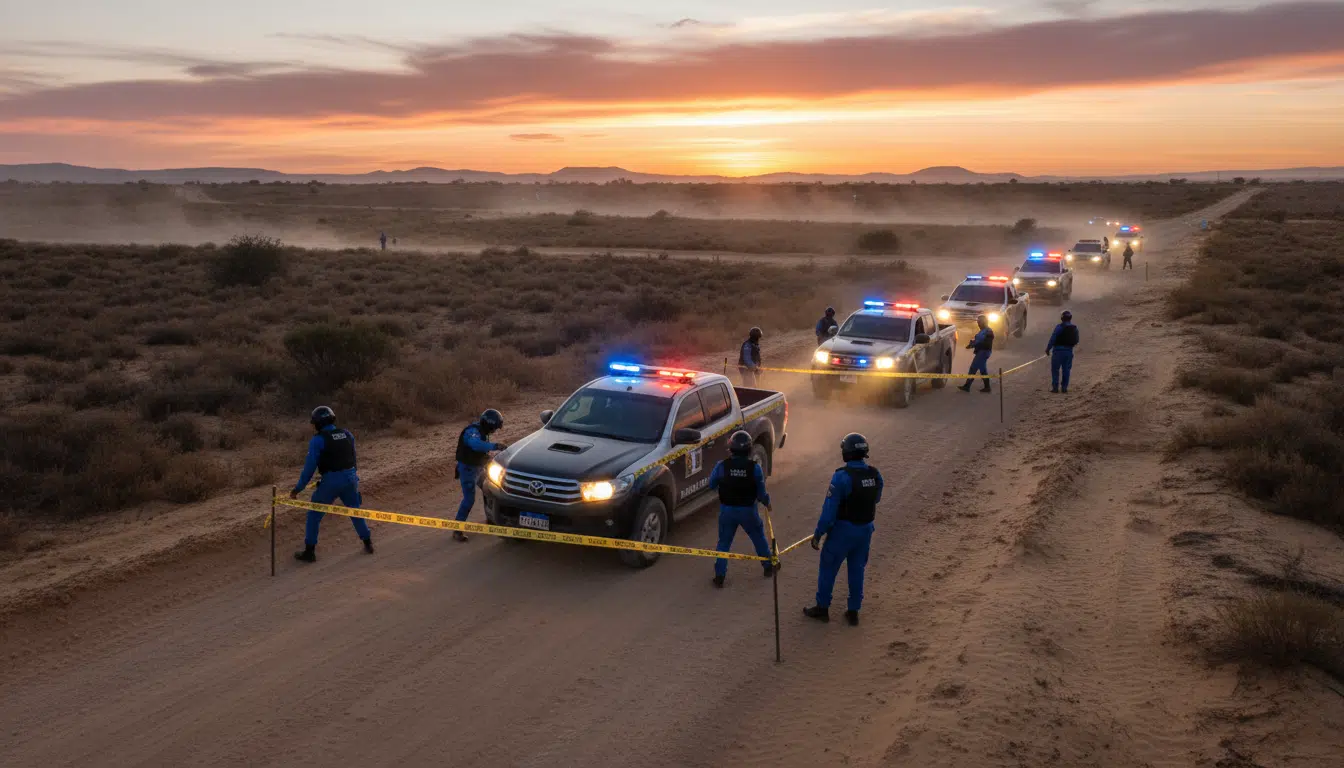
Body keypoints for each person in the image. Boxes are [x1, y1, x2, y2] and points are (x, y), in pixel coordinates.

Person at [803, 433, 883, 626]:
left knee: (828, 568)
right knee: (857, 570)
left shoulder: (841, 477)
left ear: (846, 452)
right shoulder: (875, 474)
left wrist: (818, 534)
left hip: (842, 532)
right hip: (865, 531)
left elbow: (829, 512)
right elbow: (877, 498)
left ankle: (822, 608)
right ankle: (853, 611)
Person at [290, 406, 372, 563]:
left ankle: (309, 552)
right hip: (351, 477)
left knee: (314, 514)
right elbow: (353, 459)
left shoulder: (318, 440)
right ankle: (368, 543)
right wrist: (350, 476)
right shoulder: (347, 434)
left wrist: (298, 489)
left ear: (318, 423)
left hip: (331, 481)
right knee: (355, 511)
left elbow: (309, 469)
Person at [708, 431, 776, 587]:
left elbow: (711, 485)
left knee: (724, 542)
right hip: (748, 511)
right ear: (749, 449)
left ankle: (719, 576)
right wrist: (767, 502)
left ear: (731, 448)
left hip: (727, 511)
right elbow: (761, 492)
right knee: (758, 537)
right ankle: (767, 567)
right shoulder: (755, 469)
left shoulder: (721, 466)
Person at [453, 409, 507, 542]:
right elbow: (475, 445)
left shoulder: (482, 431)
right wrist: (495, 446)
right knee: (469, 500)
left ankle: (490, 517)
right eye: (493, 428)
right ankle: (457, 530)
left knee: (490, 489)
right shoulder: (472, 431)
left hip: (478, 468)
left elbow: (480, 450)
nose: (494, 431)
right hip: (467, 470)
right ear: (488, 424)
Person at [958, 314, 994, 393]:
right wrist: (972, 344)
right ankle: (987, 387)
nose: (978, 324)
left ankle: (967, 386)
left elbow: (987, 344)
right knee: (983, 370)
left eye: (979, 322)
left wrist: (975, 344)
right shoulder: (983, 331)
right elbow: (979, 341)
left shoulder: (988, 331)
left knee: (973, 368)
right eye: (978, 322)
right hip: (981, 352)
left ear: (984, 322)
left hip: (983, 352)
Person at [1046, 311, 1079, 394]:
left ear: (1062, 318)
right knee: (1066, 370)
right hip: (1068, 352)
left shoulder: (1059, 327)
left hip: (1057, 352)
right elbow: (1077, 340)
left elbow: (1053, 338)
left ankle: (1055, 388)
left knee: (1055, 370)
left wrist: (1048, 349)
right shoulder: (1074, 328)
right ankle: (1064, 388)